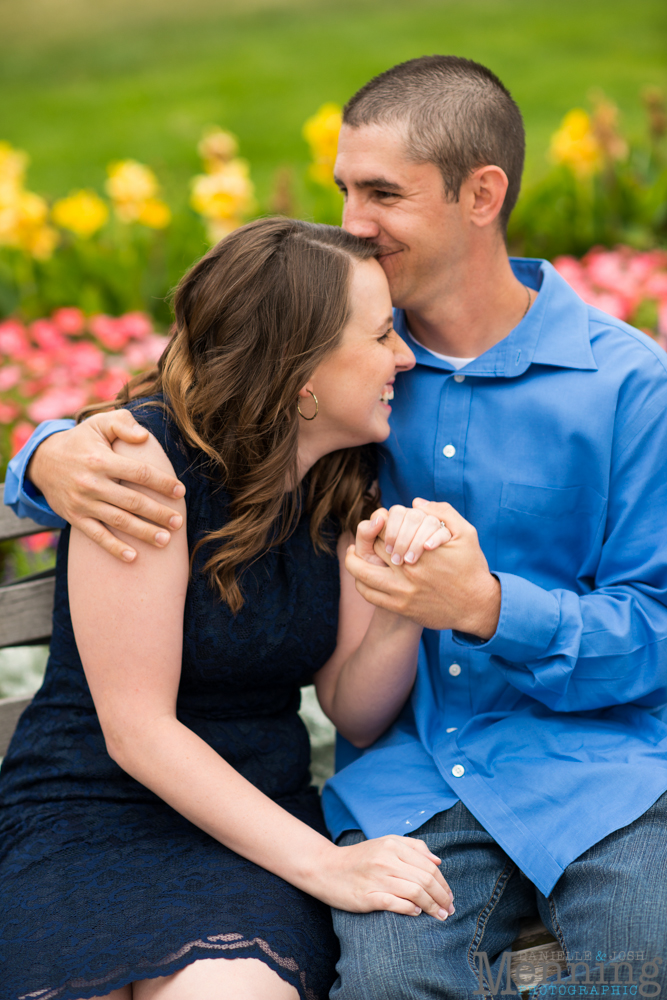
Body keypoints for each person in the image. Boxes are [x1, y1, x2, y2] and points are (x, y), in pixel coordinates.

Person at [7, 55, 667, 996]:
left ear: (481, 195)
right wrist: (43, 455)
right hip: (403, 787)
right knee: (390, 985)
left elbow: (656, 626)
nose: (351, 222)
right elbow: (187, 420)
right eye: (342, 189)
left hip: (591, 770)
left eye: (382, 193)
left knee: (646, 963)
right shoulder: (349, 391)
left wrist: (484, 606)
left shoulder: (619, 387)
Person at [0, 217, 460, 1000]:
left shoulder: (343, 479)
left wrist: (402, 605)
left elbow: (352, 710)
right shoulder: (145, 468)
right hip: (89, 811)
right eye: (383, 334)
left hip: (254, 830)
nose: (404, 357)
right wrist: (329, 865)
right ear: (302, 370)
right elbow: (136, 729)